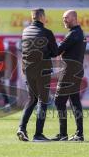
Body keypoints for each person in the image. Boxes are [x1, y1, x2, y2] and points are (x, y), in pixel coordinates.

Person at [17, 8, 58, 142]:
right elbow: (55, 52)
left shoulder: (25, 31)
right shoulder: (47, 32)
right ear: (41, 17)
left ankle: (21, 128)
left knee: (31, 99)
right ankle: (38, 134)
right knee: (42, 101)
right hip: (43, 71)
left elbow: (24, 50)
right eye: (44, 16)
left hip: (28, 70)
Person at [51, 10, 87, 141]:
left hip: (69, 72)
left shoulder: (73, 34)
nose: (64, 20)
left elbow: (57, 51)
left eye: (66, 18)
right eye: (63, 18)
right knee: (75, 101)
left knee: (59, 101)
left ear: (74, 18)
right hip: (76, 71)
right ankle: (79, 134)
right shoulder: (80, 33)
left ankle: (63, 134)